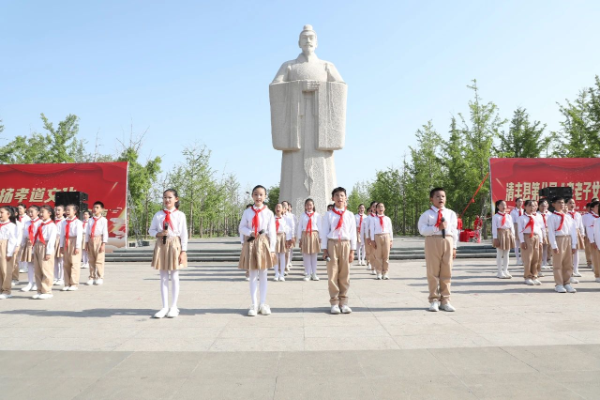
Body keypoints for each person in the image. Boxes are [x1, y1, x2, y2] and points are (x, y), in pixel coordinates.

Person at [148, 189, 188, 319]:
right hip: (161, 244)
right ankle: (164, 306)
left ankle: (174, 306)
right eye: (165, 197)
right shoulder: (158, 215)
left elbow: (184, 234)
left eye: (170, 197)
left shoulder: (180, 215)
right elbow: (151, 230)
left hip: (175, 244)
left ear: (176, 199)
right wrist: (159, 233)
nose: (167, 200)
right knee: (163, 277)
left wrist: (183, 251)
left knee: (174, 276)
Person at [418, 188, 458, 312]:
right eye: (437, 196)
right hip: (433, 240)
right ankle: (434, 300)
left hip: (448, 240)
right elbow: (422, 230)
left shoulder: (450, 213)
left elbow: (454, 231)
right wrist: (437, 228)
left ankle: (445, 300)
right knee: (433, 272)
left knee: (447, 271)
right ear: (431, 199)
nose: (441, 198)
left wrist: (454, 246)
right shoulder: (427, 214)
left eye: (443, 196)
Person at [238, 185, 276, 317]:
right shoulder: (247, 212)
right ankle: (254, 304)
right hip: (251, 242)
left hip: (263, 243)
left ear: (265, 196)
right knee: (253, 273)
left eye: (261, 194)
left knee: (263, 273)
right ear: (252, 196)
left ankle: (263, 303)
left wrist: (272, 249)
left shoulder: (269, 213)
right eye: (256, 194)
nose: (258, 197)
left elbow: (272, 232)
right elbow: (241, 227)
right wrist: (250, 232)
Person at [320, 187, 356, 314]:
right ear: (332, 198)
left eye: (342, 195)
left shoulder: (349, 215)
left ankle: (344, 302)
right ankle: (334, 302)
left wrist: (352, 250)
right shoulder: (329, 215)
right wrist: (324, 249)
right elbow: (324, 232)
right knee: (333, 274)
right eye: (337, 195)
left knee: (345, 274)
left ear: (346, 198)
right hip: (332, 243)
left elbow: (353, 233)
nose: (339, 198)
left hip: (346, 244)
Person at [547, 197, 577, 293]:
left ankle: (567, 283)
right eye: (559, 203)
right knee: (558, 263)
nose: (561, 205)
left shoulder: (568, 217)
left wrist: (574, 245)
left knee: (568, 263)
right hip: (558, 239)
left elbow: (573, 231)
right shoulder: (552, 217)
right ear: (553, 204)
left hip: (568, 239)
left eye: (563, 203)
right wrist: (554, 245)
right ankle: (559, 284)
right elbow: (551, 232)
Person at [32, 205, 57, 300]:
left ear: (49, 213)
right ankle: (39, 290)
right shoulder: (40, 224)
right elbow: (35, 236)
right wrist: (33, 250)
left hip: (45, 247)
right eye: (40, 212)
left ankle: (47, 291)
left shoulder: (52, 226)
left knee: (46, 270)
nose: (41, 214)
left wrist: (48, 252)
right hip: (37, 246)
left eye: (43, 212)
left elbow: (51, 240)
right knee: (38, 270)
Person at [518, 200, 543, 286]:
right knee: (528, 258)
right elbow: (520, 230)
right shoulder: (522, 218)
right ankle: (527, 276)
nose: (532, 208)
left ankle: (534, 275)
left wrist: (541, 240)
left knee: (536, 258)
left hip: (536, 237)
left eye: (533, 206)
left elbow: (539, 229)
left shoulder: (536, 217)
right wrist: (522, 241)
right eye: (529, 206)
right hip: (527, 237)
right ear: (525, 207)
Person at [60, 204, 83, 291]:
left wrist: (77, 247)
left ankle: (74, 283)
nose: (67, 211)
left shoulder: (78, 222)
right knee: (66, 263)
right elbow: (62, 234)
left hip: (74, 241)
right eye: (66, 210)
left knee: (74, 263)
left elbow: (79, 235)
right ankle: (67, 283)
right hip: (66, 241)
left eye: (69, 210)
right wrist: (61, 246)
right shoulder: (64, 222)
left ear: (75, 211)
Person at [85, 201, 108, 286]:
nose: (95, 209)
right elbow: (87, 231)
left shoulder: (103, 220)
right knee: (91, 260)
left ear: (102, 209)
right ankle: (92, 277)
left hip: (99, 239)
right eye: (94, 207)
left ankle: (100, 277)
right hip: (91, 239)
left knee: (99, 259)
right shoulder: (90, 220)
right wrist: (86, 243)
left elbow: (105, 232)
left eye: (97, 208)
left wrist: (103, 244)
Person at [297, 198, 321, 281]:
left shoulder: (317, 215)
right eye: (307, 205)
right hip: (305, 234)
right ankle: (308, 273)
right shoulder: (303, 215)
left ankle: (314, 273)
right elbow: (300, 227)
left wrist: (320, 237)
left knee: (314, 255)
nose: (309, 206)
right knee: (306, 255)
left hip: (314, 234)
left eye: (310, 205)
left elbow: (320, 226)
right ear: (305, 206)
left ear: (313, 205)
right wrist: (299, 238)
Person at [492, 200, 515, 279]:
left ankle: (505, 270)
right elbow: (494, 228)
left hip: (507, 234)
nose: (504, 206)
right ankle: (499, 271)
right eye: (502, 205)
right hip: (500, 234)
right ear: (498, 206)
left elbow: (511, 226)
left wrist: (513, 235)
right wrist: (495, 238)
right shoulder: (495, 216)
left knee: (506, 254)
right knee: (500, 253)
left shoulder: (508, 216)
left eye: (505, 205)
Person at [20, 205, 41, 292]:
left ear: (38, 212)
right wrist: (22, 244)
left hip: (37, 244)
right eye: (29, 212)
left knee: (37, 265)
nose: (30, 213)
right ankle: (30, 283)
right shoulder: (27, 223)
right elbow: (24, 234)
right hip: (28, 245)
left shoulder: (40, 222)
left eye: (32, 212)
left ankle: (37, 283)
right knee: (29, 264)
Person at [370, 202, 393, 280]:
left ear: (384, 208)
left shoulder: (387, 219)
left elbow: (390, 230)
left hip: (386, 236)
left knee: (386, 255)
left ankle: (385, 272)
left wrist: (391, 240)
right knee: (378, 255)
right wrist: (372, 240)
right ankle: (379, 272)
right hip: (377, 236)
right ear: (376, 209)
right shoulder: (374, 219)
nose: (381, 208)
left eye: (382, 207)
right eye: (379, 207)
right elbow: (372, 230)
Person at [0, 206, 18, 299]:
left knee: (5, 269)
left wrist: (9, 253)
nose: (0, 214)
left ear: (9, 214)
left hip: (5, 246)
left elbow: (12, 240)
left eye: (2, 212)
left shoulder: (11, 226)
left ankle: (6, 290)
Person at [566, 198, 585, 281]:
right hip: (568, 233)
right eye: (570, 203)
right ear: (566, 204)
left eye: (573, 203)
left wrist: (582, 233)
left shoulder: (577, 214)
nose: (572, 205)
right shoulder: (565, 214)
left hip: (577, 233)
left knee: (576, 252)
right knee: (568, 253)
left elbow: (581, 225)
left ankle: (576, 269)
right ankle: (569, 270)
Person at [273, 203, 292, 282]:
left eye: (279, 207)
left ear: (283, 209)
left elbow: (288, 229)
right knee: (275, 256)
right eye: (276, 207)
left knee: (282, 256)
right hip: (274, 236)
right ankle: (276, 273)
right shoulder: (272, 218)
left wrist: (288, 239)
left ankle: (282, 274)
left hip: (282, 237)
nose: (278, 208)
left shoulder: (285, 218)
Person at [282, 201, 296, 273]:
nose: (284, 206)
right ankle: (281, 267)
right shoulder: (278, 215)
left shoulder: (291, 216)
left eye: (285, 205)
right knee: (281, 252)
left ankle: (286, 265)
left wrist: (293, 236)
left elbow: (292, 226)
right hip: (280, 236)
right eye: (283, 205)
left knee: (287, 252)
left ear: (288, 207)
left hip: (288, 236)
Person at [364, 202, 378, 275]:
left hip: (378, 235)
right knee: (372, 252)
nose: (375, 208)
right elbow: (366, 229)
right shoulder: (369, 218)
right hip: (370, 235)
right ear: (371, 208)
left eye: (376, 206)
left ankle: (379, 267)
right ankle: (373, 267)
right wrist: (368, 238)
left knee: (377, 253)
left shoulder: (380, 216)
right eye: (373, 206)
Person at [10, 206, 23, 288]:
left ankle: (15, 278)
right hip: (5, 244)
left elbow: (19, 236)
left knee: (14, 262)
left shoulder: (18, 224)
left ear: (15, 214)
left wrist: (17, 245)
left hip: (14, 245)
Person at [16, 203, 30, 276]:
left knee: (24, 252)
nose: (19, 210)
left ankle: (24, 267)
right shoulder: (16, 217)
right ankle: (18, 266)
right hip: (17, 236)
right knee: (18, 252)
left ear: (25, 209)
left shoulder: (27, 218)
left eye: (20, 208)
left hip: (24, 236)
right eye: (18, 209)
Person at [53, 204, 65, 287]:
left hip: (61, 241)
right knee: (54, 261)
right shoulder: (53, 220)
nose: (57, 212)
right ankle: (55, 277)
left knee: (61, 261)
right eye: (56, 210)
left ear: (63, 212)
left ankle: (61, 278)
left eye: (59, 210)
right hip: (53, 242)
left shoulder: (64, 221)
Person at [510, 198, 524, 265]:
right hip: (516, 227)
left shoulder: (524, 211)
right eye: (519, 201)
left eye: (521, 201)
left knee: (523, 244)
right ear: (516, 202)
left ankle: (523, 258)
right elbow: (512, 222)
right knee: (517, 244)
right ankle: (517, 259)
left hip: (524, 228)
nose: (520, 203)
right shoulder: (513, 212)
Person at [588, 201, 600, 283]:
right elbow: (595, 233)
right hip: (597, 242)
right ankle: (597, 275)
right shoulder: (596, 220)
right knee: (596, 259)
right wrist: (593, 241)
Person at [582, 203, 593, 268]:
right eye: (589, 207)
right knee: (588, 248)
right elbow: (583, 226)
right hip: (587, 233)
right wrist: (584, 234)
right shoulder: (585, 216)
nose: (590, 209)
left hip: (596, 233)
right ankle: (589, 262)